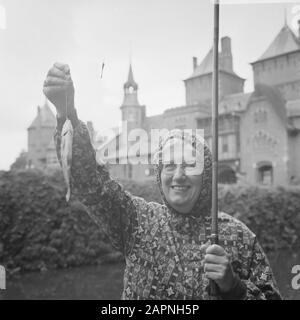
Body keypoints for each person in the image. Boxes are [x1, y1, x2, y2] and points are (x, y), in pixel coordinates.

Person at [43, 62, 282, 300]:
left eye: (190, 164)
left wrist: (234, 288)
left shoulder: (240, 237)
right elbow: (90, 184)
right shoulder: (135, 220)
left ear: (206, 174)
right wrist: (67, 113)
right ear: (159, 174)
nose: (178, 175)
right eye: (169, 165)